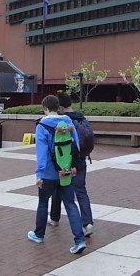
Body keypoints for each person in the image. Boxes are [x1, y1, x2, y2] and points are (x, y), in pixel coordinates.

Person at [27, 95, 86, 254]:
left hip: (48, 173)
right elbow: (76, 147)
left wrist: (39, 174)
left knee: (43, 203)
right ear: (58, 107)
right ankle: (79, 239)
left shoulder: (41, 126)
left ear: (45, 108)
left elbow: (41, 153)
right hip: (66, 171)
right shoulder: (68, 122)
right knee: (70, 204)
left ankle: (39, 234)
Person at [48, 92, 94, 237]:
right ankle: (88, 223)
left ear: (60, 107)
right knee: (81, 191)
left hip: (66, 161)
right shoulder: (81, 117)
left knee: (59, 187)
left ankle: (54, 218)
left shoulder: (64, 121)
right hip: (81, 159)